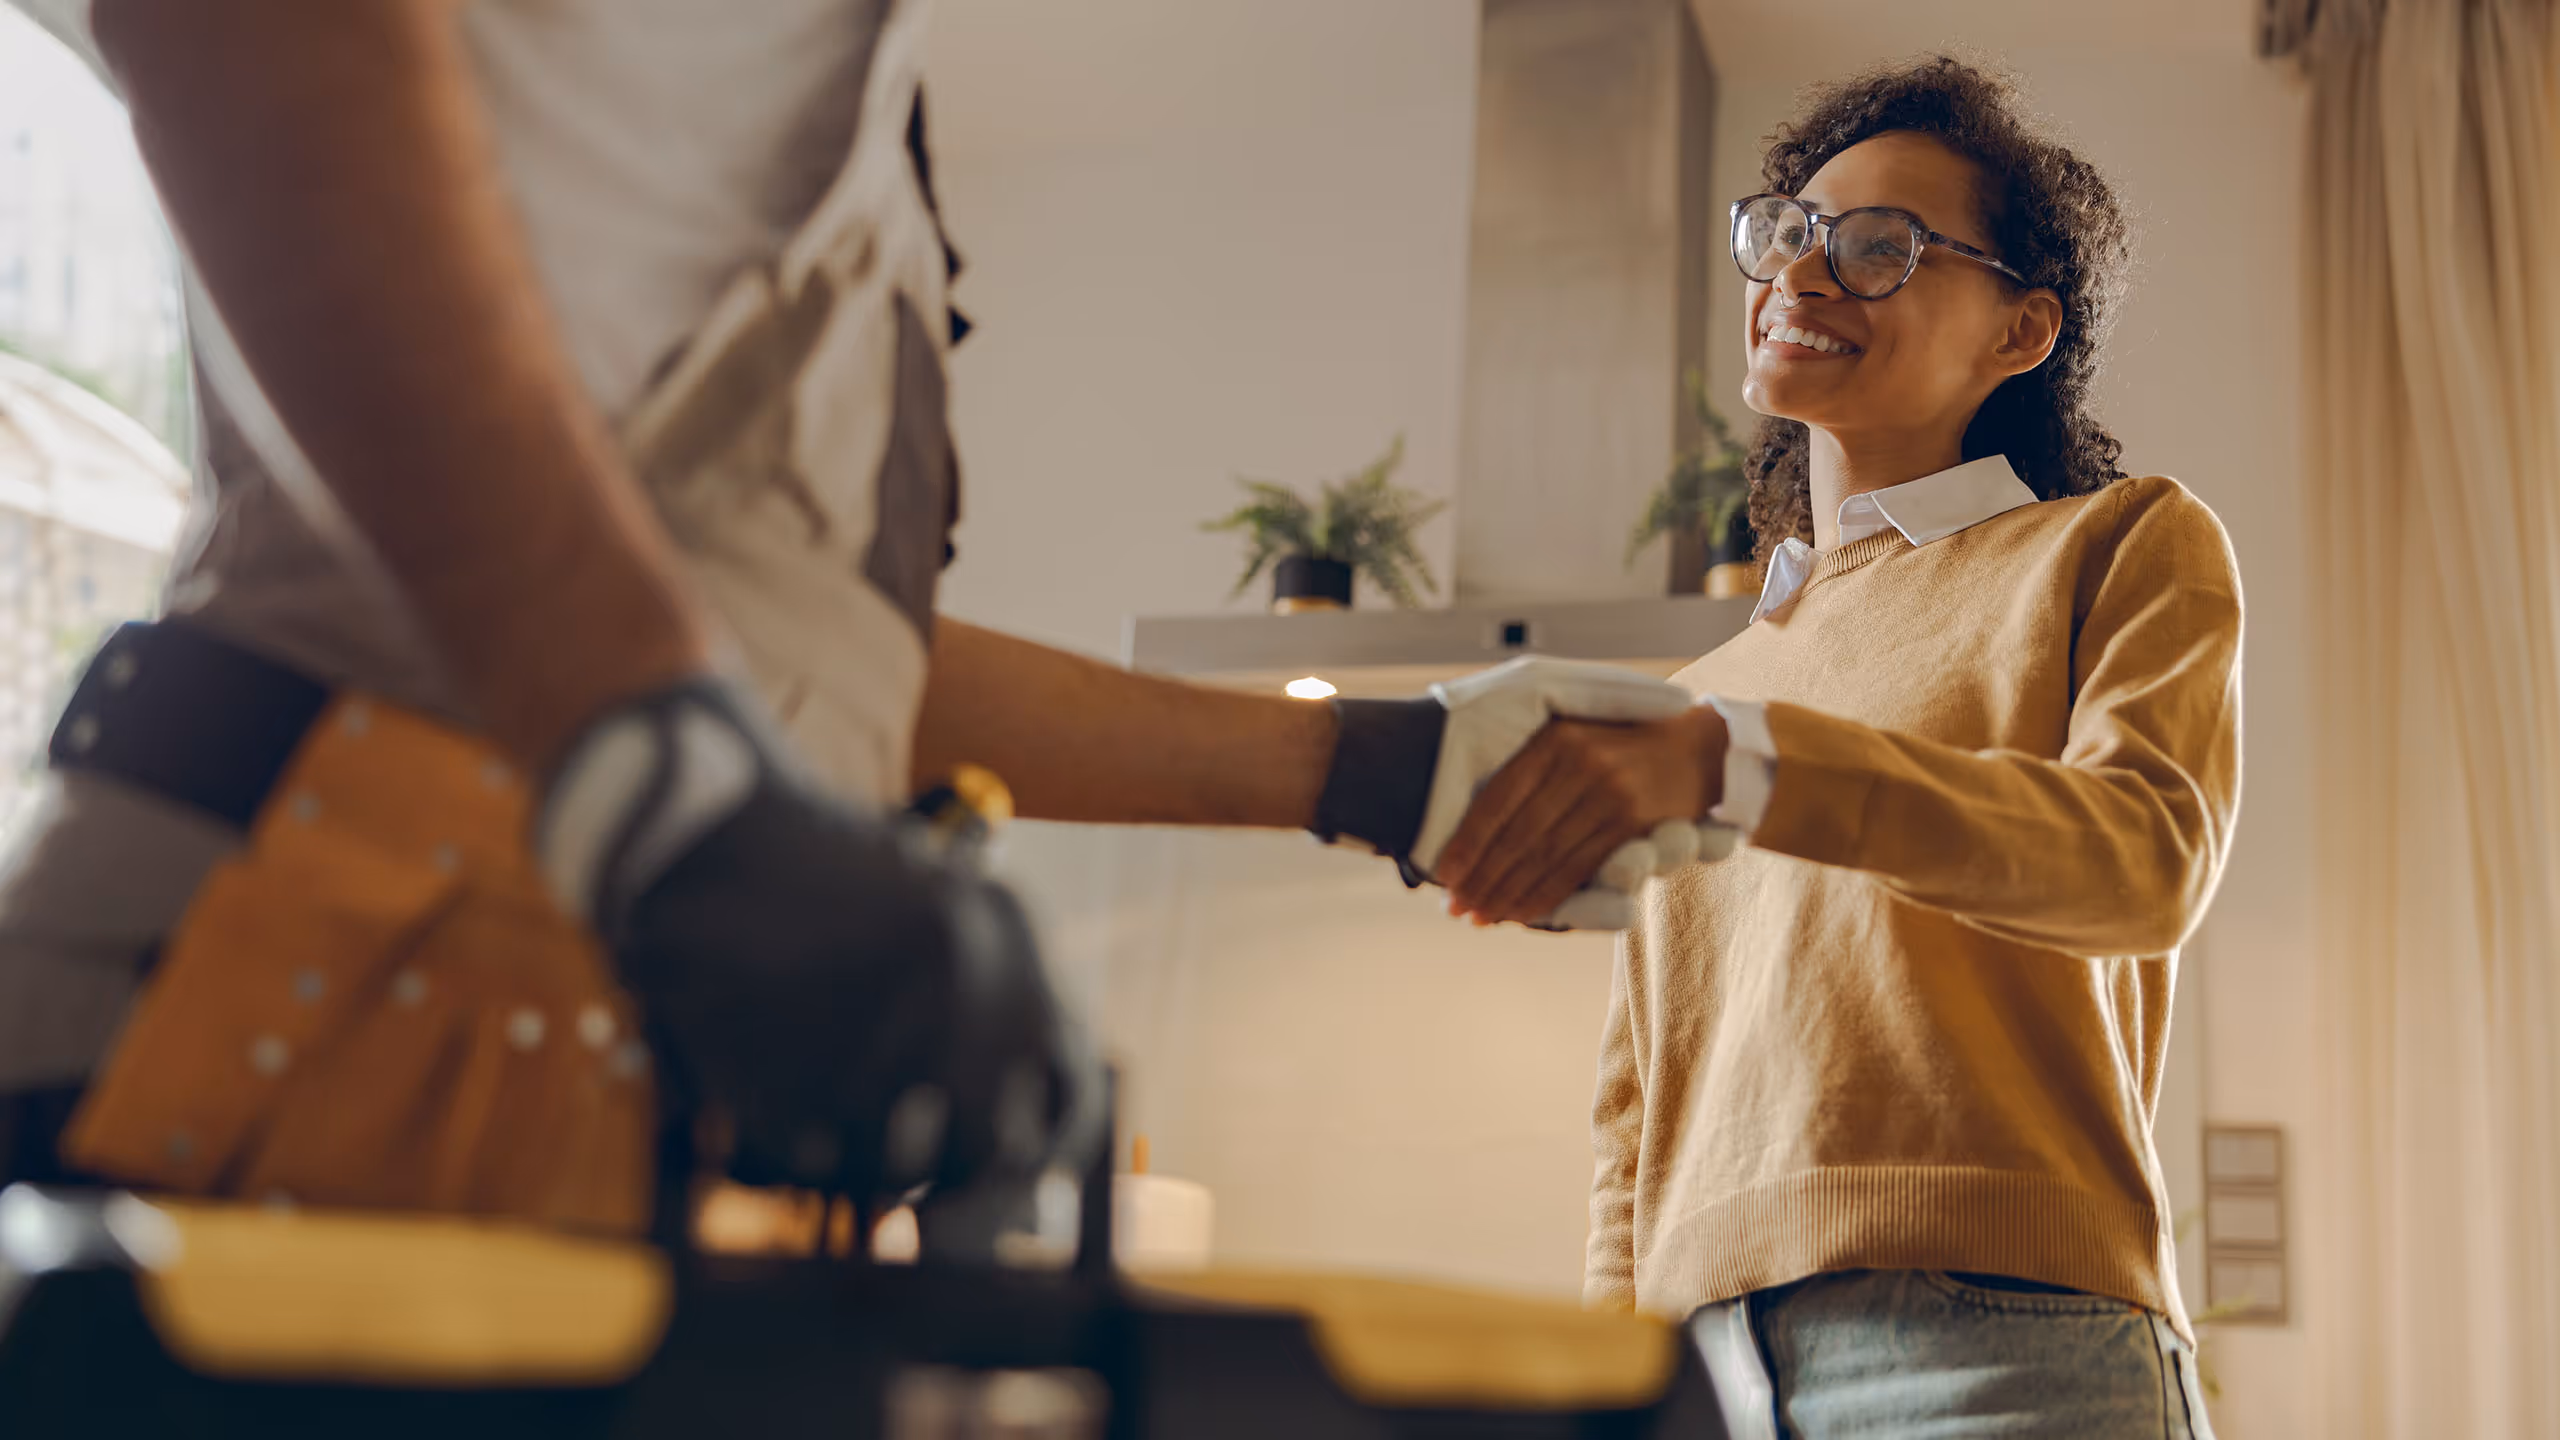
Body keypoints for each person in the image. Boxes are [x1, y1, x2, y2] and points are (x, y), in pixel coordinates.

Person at [0, 0, 1704, 1231]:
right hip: (286, 984)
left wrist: (1373, 770)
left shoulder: (859, 118)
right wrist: (666, 783)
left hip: (540, 1065)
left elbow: (786, 650)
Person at [1431, 59, 2234, 1438]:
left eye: (1881, 250)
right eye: (1791, 234)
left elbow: (2143, 862)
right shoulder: (1710, 692)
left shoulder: (2114, 545)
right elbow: (1638, 1112)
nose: (1807, 277)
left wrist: (1741, 764)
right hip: (1704, 1371)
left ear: (2020, 330)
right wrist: (1616, 1373)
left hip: (2003, 1355)